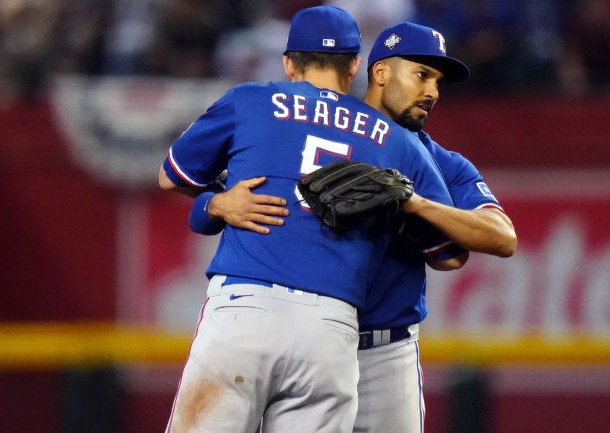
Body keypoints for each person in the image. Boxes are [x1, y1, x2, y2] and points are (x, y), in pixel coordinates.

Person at [189, 22, 517, 433]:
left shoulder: (444, 163)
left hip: (386, 350)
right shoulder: (308, 124)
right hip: (315, 332)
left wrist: (416, 205)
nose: (432, 91)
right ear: (379, 73)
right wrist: (213, 204)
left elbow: (502, 237)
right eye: (421, 75)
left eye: (437, 81)